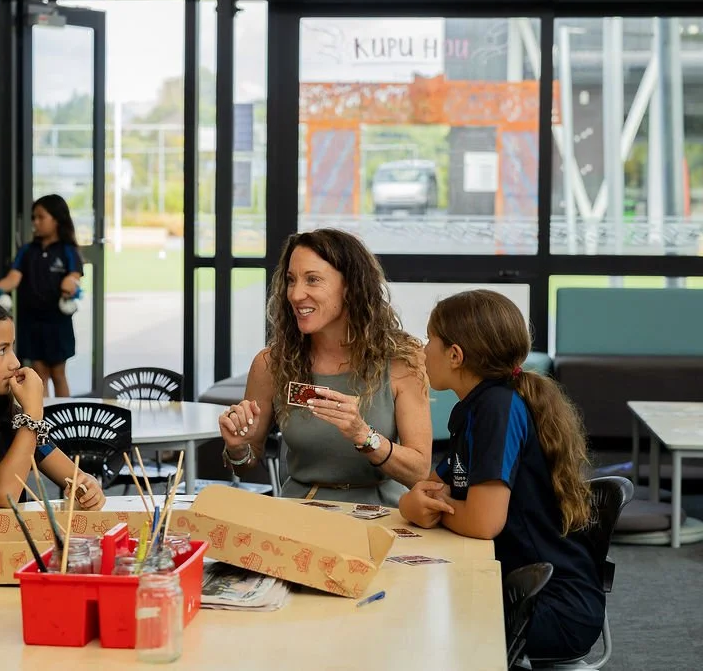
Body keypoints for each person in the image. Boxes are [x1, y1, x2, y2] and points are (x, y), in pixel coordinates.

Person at [399, 289, 603, 660]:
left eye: (430, 339)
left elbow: (483, 522)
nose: (423, 349)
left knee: (411, 625)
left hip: (547, 604)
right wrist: (418, 502)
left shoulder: (498, 408)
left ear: (455, 355)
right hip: (511, 586)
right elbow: (431, 489)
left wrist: (427, 507)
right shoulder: (475, 407)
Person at [217, 229, 432, 505]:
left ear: (350, 287)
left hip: (382, 518)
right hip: (301, 516)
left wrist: (364, 436)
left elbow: (418, 471)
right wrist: (237, 449)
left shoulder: (402, 359)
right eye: (291, 280)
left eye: (313, 280)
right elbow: (246, 462)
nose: (295, 295)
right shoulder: (271, 364)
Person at [0, 295, 105, 511]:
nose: (15, 362)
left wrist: (89, 486)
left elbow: (73, 477)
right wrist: (33, 414)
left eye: (12, 348)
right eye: (1, 350)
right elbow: (5, 493)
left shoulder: (4, 412)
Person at [0, 194, 83, 397]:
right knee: (39, 373)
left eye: (41, 217)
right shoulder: (27, 251)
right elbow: (13, 278)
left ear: (56, 219)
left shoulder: (68, 251)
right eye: (33, 218)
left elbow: (74, 276)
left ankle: (63, 419)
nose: (35, 223)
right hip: (31, 322)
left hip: (57, 323)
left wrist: (70, 282)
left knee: (58, 373)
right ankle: (43, 421)